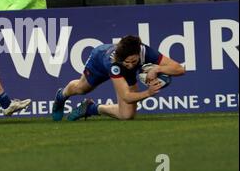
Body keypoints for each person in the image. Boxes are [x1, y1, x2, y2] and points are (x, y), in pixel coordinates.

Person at [52, 35, 185, 121]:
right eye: (127, 62)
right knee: (81, 89)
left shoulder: (145, 51)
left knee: (126, 116)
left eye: (134, 61)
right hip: (99, 62)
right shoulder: (113, 63)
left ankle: (91, 108)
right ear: (121, 58)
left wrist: (157, 69)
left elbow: (179, 69)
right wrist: (148, 93)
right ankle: (61, 96)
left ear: (139, 53)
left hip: (125, 74)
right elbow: (126, 96)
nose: (131, 65)